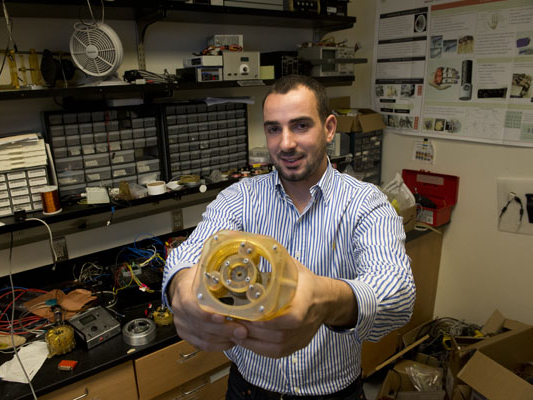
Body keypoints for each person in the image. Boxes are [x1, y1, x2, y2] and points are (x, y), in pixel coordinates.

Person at [162, 74, 415, 399]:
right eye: (273, 129)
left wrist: (324, 299)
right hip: (249, 390)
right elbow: (188, 254)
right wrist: (182, 286)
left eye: (300, 126)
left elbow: (398, 291)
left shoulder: (365, 203)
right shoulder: (240, 199)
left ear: (329, 128)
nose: (285, 143)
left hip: (334, 392)